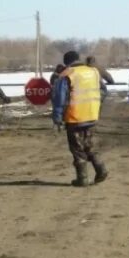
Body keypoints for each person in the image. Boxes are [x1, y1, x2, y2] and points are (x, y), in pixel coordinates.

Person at [52, 50, 108, 186]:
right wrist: (96, 105)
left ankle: (82, 178)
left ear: (67, 62)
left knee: (77, 148)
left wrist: (57, 118)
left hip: (74, 117)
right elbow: (104, 91)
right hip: (92, 114)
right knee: (89, 144)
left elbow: (59, 98)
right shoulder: (93, 71)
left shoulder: (66, 75)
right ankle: (101, 169)